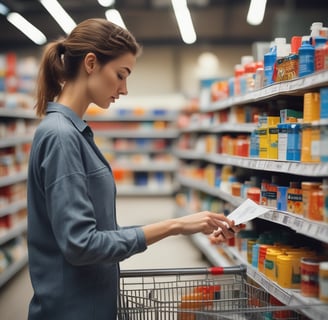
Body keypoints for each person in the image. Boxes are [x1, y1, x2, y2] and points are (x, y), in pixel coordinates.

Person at [27, 18, 243, 320]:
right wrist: (173, 226)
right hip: (71, 309)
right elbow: (81, 244)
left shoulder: (72, 132)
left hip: (86, 303)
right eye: (120, 75)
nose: (124, 89)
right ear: (91, 63)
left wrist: (182, 222)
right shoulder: (61, 136)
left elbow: (99, 233)